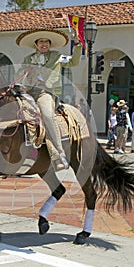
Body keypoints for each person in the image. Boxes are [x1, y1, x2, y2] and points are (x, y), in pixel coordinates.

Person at [16, 28, 82, 170]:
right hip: (28, 91)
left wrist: (77, 44)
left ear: (50, 44)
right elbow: (19, 74)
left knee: (46, 114)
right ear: (36, 44)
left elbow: (74, 62)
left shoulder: (57, 56)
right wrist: (24, 73)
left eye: (46, 42)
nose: (44, 44)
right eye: (41, 41)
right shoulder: (28, 59)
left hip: (45, 93)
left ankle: (59, 152)